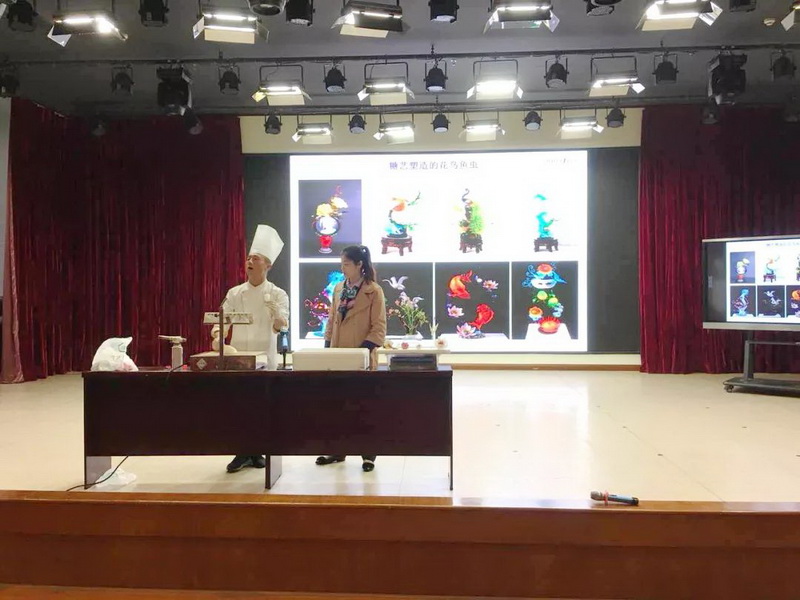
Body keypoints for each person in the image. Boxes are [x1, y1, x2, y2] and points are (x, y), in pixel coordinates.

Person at [212, 224, 289, 473]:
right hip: (239, 357)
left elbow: (281, 325)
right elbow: (222, 319)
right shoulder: (235, 293)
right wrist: (218, 335)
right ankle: (243, 452)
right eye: (248, 258)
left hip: (265, 356)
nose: (250, 262)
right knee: (240, 406)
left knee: (263, 406)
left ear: (268, 265)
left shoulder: (278, 294)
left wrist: (277, 317)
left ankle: (259, 451)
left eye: (256, 258)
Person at [317, 245, 387, 472]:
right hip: (337, 356)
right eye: (341, 264)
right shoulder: (339, 288)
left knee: (364, 406)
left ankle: (368, 454)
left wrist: (361, 353)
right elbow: (331, 320)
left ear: (359, 265)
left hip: (362, 359)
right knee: (338, 406)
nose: (343, 268)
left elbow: (379, 328)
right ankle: (338, 450)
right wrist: (327, 345)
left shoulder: (373, 291)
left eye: (347, 264)